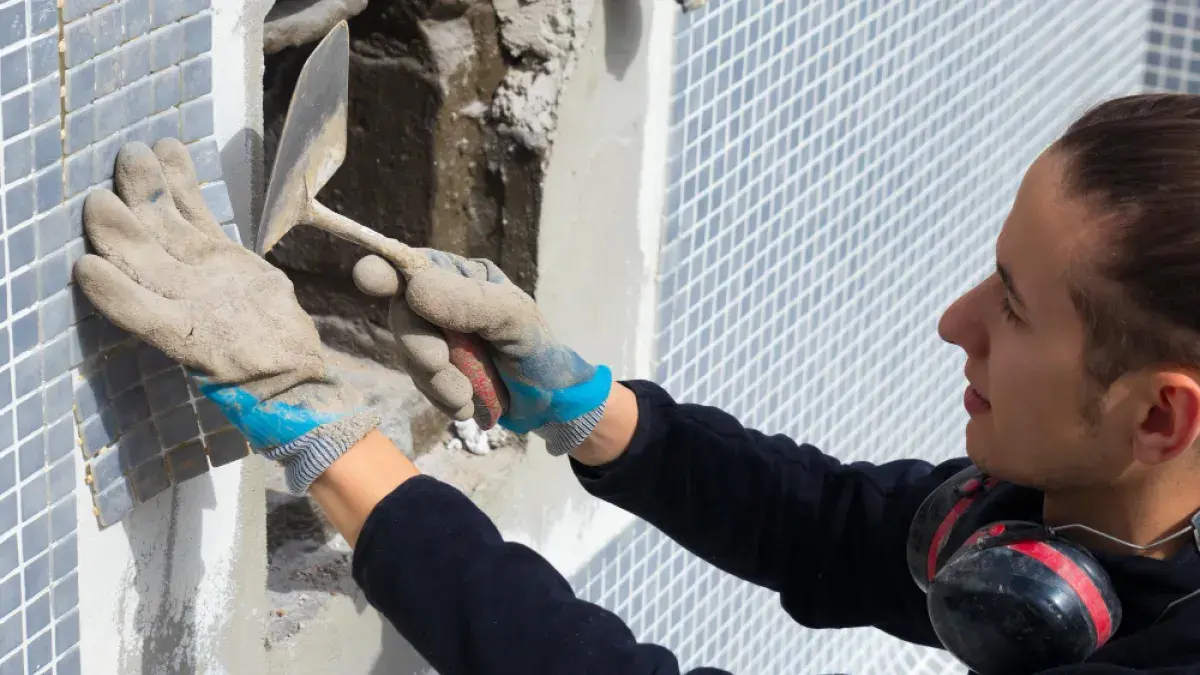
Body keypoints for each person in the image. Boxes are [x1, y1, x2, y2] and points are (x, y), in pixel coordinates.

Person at [71, 93, 1200, 675]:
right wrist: (585, 404)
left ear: (1159, 414)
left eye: (1010, 305)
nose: (952, 321)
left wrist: (315, 423)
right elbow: (838, 527)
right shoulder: (1099, 525)